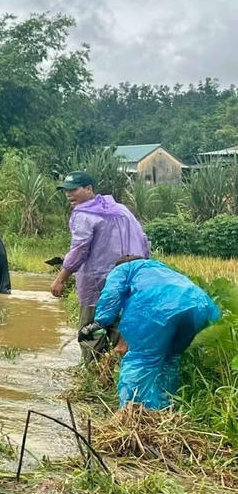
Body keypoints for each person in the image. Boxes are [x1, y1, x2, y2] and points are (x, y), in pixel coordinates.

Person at [93, 256, 220, 409]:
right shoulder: (160, 268)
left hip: (158, 309)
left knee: (141, 359)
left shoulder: (124, 268)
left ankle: (130, 413)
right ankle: (162, 408)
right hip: (199, 307)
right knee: (169, 358)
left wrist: (100, 321)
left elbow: (111, 294)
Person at [50, 171, 150, 341]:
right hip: (130, 278)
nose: (68, 194)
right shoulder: (121, 210)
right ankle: (113, 358)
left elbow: (79, 250)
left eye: (74, 189)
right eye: (66, 190)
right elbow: (143, 240)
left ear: (89, 188)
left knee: (91, 331)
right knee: (120, 328)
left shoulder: (84, 214)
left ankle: (92, 358)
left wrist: (61, 279)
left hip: (96, 282)